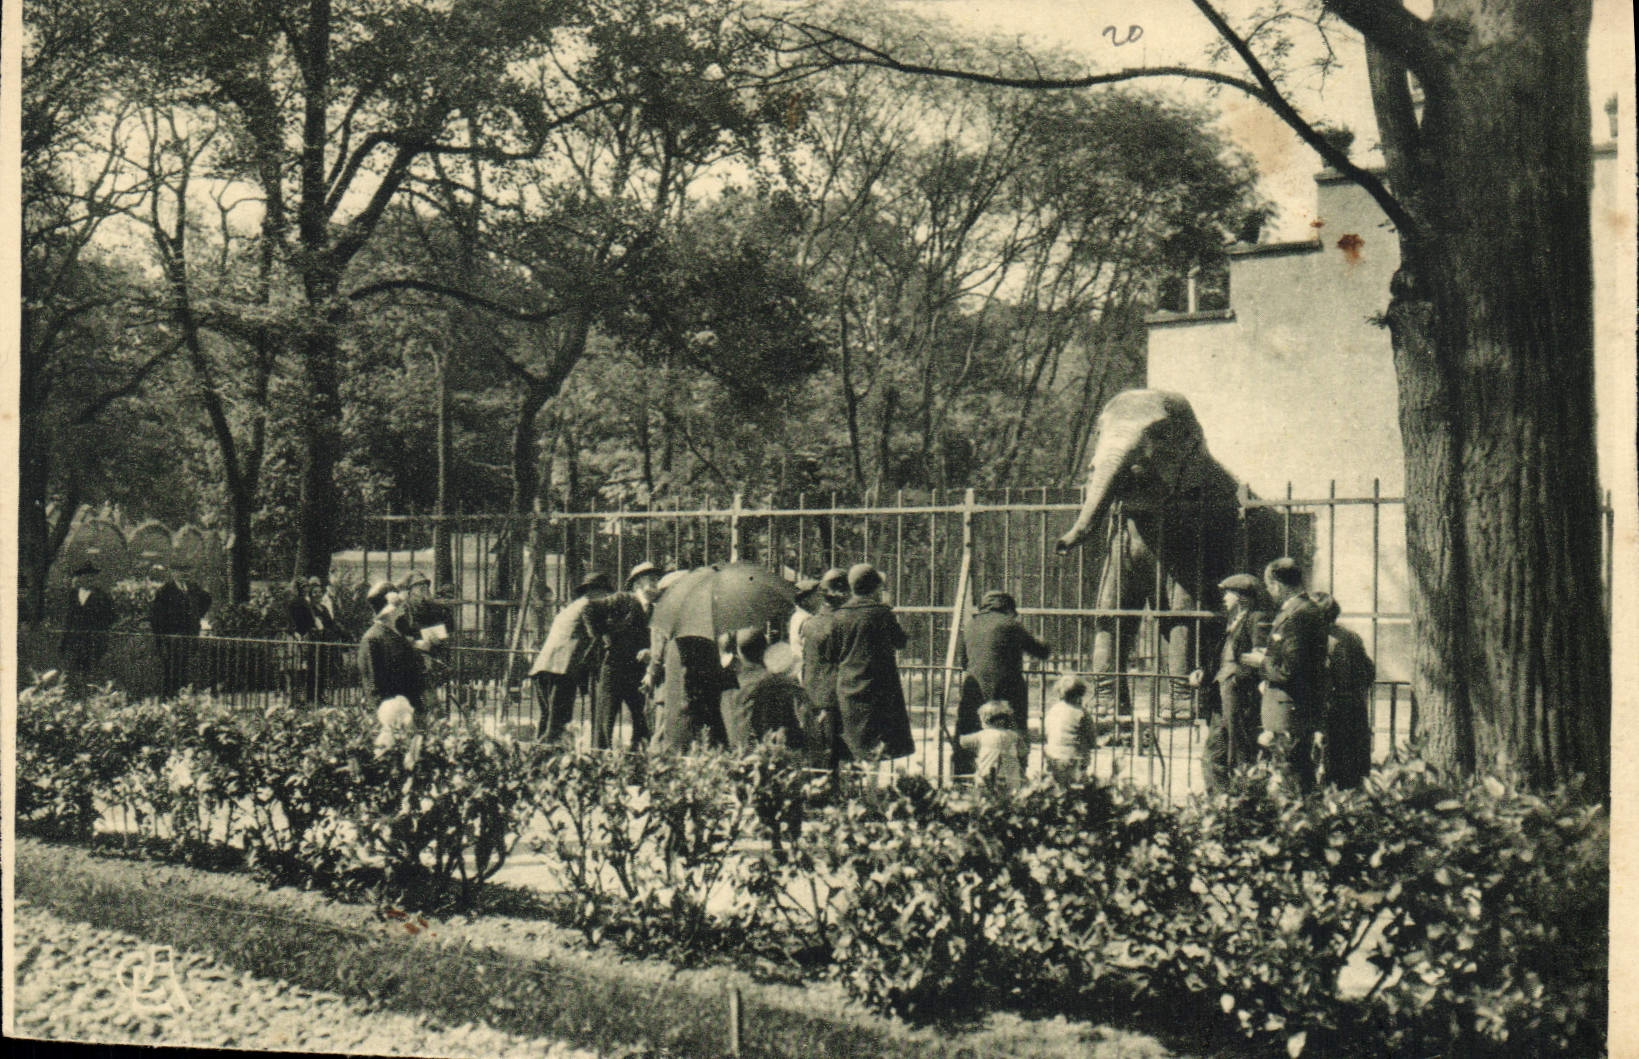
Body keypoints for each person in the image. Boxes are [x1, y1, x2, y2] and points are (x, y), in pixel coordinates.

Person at [1245, 557, 1329, 791]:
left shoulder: (1298, 614)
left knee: (1290, 774)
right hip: (1290, 707)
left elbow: (1289, 669)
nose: (1270, 592)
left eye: (1270, 587)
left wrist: (1262, 662)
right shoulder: (1304, 610)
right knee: (1294, 771)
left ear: (1278, 584)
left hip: (1289, 709)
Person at [824, 563, 915, 764]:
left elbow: (831, 654)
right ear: (875, 587)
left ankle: (855, 789)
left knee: (853, 744)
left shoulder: (839, 615)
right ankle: (872, 792)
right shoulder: (881, 613)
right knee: (879, 748)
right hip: (879, 691)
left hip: (848, 688)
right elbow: (901, 642)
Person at [954, 590, 1051, 776]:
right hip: (1008, 689)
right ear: (1008, 609)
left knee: (971, 734)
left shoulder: (970, 625)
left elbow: (964, 661)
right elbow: (1040, 651)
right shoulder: (1011, 625)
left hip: (974, 689)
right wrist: (1044, 641)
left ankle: (962, 777)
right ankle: (1017, 775)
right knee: (1014, 735)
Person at [1191, 572, 1269, 792]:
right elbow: (1221, 657)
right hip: (1220, 695)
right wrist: (1204, 674)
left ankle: (1243, 800)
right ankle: (1218, 800)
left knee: (1240, 751)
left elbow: (1258, 658)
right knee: (1214, 752)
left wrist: (1236, 678)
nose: (1224, 598)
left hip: (1238, 696)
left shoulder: (1257, 618)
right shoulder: (1232, 622)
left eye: (1229, 594)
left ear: (1243, 597)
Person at [580, 560, 662, 751]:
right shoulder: (623, 599)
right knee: (605, 721)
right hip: (613, 669)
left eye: (656, 580)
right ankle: (598, 762)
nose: (655, 584)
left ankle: (636, 761)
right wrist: (608, 635)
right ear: (637, 584)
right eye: (650, 580)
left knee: (641, 719)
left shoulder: (655, 610)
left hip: (637, 673)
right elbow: (589, 610)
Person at [528, 571, 612, 743]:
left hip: (543, 666)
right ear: (595, 591)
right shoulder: (588, 605)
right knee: (557, 724)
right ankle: (547, 758)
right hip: (562, 669)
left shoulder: (571, 607)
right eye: (605, 593)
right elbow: (595, 635)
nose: (606, 598)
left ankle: (537, 757)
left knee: (547, 719)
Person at [1311, 592, 1376, 789]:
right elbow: (1369, 671)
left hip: (1335, 712)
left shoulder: (1325, 640)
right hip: (1356, 710)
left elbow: (1329, 679)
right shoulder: (1351, 636)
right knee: (1354, 772)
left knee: (1334, 771)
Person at [724, 627, 809, 752]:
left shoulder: (730, 688)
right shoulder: (781, 683)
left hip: (738, 756)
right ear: (766, 650)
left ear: (739, 654)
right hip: (772, 756)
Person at [797, 568, 849, 770]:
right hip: (836, 699)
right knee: (837, 758)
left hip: (813, 697)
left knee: (820, 757)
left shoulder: (810, 624)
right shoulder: (843, 624)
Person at [358, 581, 427, 717]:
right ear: (390, 610)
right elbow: (374, 685)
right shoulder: (373, 638)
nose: (403, 608)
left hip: (408, 709)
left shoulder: (396, 634)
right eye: (399, 605)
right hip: (390, 714)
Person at [150, 563, 211, 698]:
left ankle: (183, 702)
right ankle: (168, 701)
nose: (184, 574)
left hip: (190, 637)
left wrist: (196, 617)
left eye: (186, 570)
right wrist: (163, 638)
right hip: (172, 640)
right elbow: (156, 618)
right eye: (180, 571)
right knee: (171, 672)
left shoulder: (194, 589)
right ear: (172, 573)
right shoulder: (164, 592)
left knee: (186, 671)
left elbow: (206, 600)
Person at [290, 575, 347, 704]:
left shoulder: (324, 608)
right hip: (314, 642)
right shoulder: (310, 608)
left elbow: (331, 624)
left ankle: (319, 694)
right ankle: (311, 696)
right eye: (315, 592)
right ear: (310, 594)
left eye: (320, 592)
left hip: (324, 642)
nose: (318, 595)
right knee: (312, 669)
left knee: (323, 669)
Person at [59, 562, 114, 677]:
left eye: (92, 576)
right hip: (74, 642)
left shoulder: (102, 596)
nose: (89, 579)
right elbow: (67, 619)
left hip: (93, 643)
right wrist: (64, 642)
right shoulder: (72, 595)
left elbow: (111, 618)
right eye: (85, 576)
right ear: (80, 578)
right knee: (72, 672)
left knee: (92, 673)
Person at [957, 701, 1025, 793]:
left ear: (986, 720)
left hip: (987, 777)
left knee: (986, 798)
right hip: (1011, 778)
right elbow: (1023, 751)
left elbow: (962, 742)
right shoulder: (1013, 735)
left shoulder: (982, 735)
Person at [1042, 675, 1095, 785]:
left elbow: (1046, 732)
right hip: (1074, 758)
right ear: (1080, 695)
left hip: (1053, 755)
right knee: (1078, 786)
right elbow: (1091, 737)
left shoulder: (1053, 710)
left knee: (1058, 784)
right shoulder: (1081, 712)